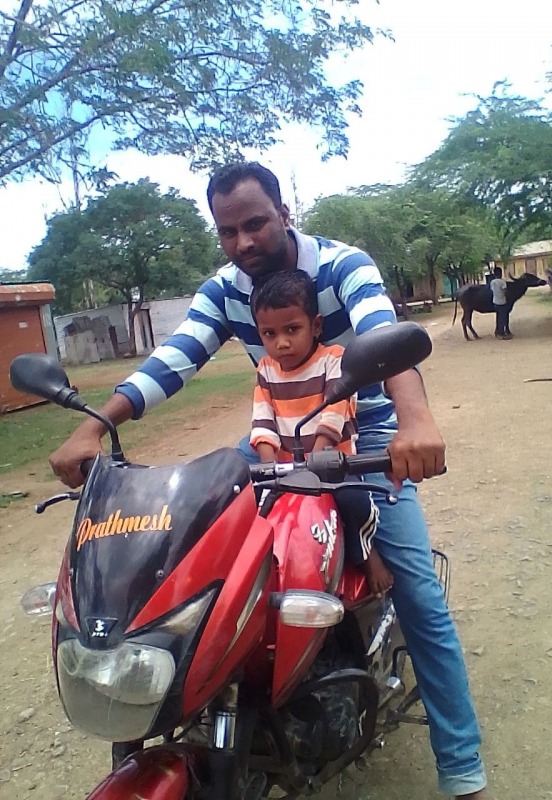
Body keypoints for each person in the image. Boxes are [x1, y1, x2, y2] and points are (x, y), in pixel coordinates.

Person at [49, 162, 488, 799]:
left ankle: (462, 763)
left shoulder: (343, 266)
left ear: (284, 213)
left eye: (254, 223)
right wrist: (96, 423)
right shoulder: (227, 288)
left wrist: (415, 423)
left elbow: (381, 337)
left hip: (363, 438)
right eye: (227, 231)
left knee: (420, 595)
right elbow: (175, 358)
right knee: (197, 544)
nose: (243, 242)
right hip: (276, 438)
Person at [249, 268, 392, 596]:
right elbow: (263, 420)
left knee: (353, 501)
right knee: (251, 509)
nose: (281, 343)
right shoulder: (266, 370)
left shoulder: (333, 359)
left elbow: (335, 409)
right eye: (269, 334)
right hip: (287, 470)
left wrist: (322, 451)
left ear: (315, 326)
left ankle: (368, 556)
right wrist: (268, 469)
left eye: (292, 329)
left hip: (331, 465)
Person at [490, 266, 512, 340]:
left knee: (498, 317)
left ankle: (497, 332)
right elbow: (505, 291)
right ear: (501, 273)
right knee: (502, 318)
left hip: (495, 301)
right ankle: (501, 333)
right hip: (502, 302)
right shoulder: (502, 282)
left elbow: (492, 290)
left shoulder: (492, 282)